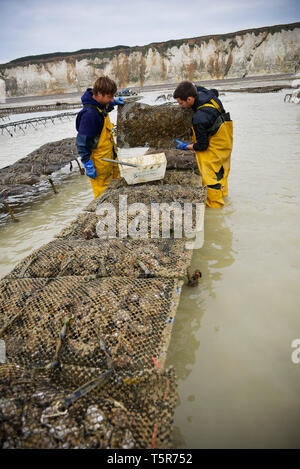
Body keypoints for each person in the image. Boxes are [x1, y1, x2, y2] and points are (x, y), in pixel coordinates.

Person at [173, 81, 233, 208]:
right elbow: (212, 90)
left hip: (215, 147)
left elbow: (202, 146)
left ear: (189, 99)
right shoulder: (208, 94)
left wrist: (185, 146)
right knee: (221, 173)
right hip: (226, 141)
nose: (180, 106)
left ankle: (215, 207)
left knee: (210, 178)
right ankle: (224, 197)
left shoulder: (199, 118)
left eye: (181, 103)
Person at [76, 76, 124, 198]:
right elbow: (81, 143)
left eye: (113, 96)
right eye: (110, 97)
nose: (112, 99)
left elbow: (104, 108)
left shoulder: (100, 106)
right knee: (103, 196)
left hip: (110, 158)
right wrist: (87, 163)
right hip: (99, 164)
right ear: (98, 94)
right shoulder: (89, 115)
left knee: (117, 190)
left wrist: (112, 103)